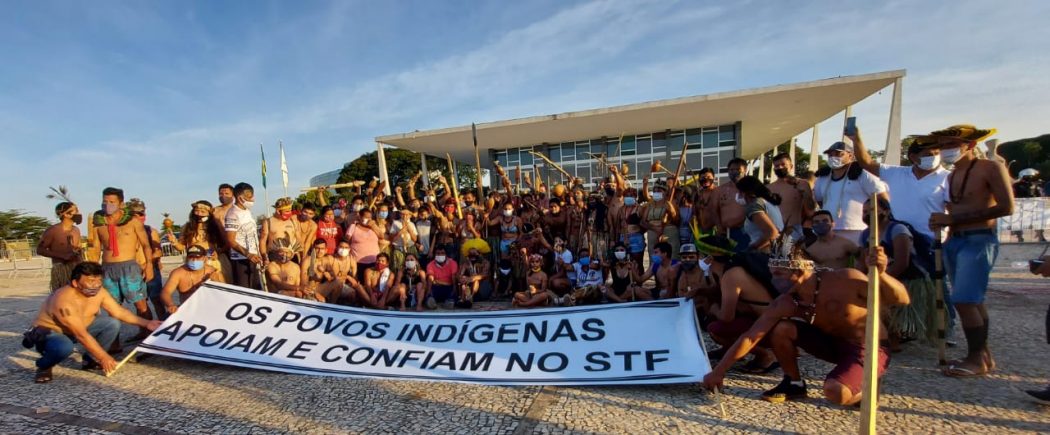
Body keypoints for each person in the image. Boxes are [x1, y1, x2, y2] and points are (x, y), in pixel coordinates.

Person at [702, 243, 910, 406]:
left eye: (779, 274)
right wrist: (719, 371)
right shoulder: (787, 301)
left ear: (800, 269)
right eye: (772, 273)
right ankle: (794, 383)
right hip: (830, 343)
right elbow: (751, 336)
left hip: (867, 346)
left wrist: (881, 274)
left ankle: (867, 386)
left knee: (835, 392)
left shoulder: (844, 279)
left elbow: (901, 298)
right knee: (781, 328)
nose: (774, 280)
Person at [926, 124, 1014, 378]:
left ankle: (976, 357)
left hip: (978, 239)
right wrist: (944, 222)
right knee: (972, 300)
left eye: (951, 145)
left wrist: (954, 220)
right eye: (942, 145)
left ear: (970, 146)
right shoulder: (951, 175)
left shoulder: (991, 168)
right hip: (956, 240)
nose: (945, 150)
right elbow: (954, 210)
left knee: (965, 300)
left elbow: (1007, 207)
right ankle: (981, 354)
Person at [24, 262, 162, 383]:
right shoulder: (64, 301)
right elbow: (81, 335)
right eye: (90, 281)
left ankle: (90, 360)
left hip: (81, 327)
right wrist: (103, 357)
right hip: (52, 333)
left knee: (112, 323)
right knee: (63, 347)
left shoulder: (100, 292)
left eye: (98, 280)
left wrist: (146, 323)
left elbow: (119, 312)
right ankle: (44, 365)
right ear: (75, 283)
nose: (95, 285)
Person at [858, 197, 938, 350]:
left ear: (886, 211)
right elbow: (862, 263)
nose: (867, 215)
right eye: (864, 212)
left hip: (908, 279)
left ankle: (895, 335)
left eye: (872, 211)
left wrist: (882, 281)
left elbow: (902, 263)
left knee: (889, 303)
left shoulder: (898, 230)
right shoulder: (865, 235)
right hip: (881, 278)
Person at [87, 187, 155, 343]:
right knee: (112, 307)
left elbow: (146, 245)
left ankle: (148, 336)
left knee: (141, 304)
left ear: (121, 203)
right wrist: (92, 271)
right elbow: (96, 248)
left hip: (129, 268)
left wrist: (149, 264)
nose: (108, 205)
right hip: (107, 269)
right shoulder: (98, 224)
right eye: (105, 202)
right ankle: (114, 342)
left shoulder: (132, 222)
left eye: (112, 202)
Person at [813, 140, 889, 245]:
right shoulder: (823, 177)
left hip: (858, 229)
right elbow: (820, 200)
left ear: (850, 155)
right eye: (830, 155)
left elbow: (882, 198)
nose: (833, 157)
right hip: (830, 230)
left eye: (838, 154)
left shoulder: (862, 173)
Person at [167, 200, 225, 283]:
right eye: (197, 211)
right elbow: (181, 248)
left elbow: (225, 244)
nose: (199, 214)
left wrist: (217, 252)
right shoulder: (187, 227)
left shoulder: (215, 227)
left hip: (211, 261)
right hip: (193, 261)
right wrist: (174, 242)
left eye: (203, 211)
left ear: (209, 213)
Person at [768, 153, 816, 240]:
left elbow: (810, 212)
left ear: (791, 166)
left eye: (783, 164)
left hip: (794, 230)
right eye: (777, 165)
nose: (780, 168)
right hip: (774, 231)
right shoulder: (769, 188)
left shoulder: (803, 184)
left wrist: (804, 193)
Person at [225, 183, 263, 290]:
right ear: (240, 198)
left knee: (256, 288)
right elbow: (231, 240)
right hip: (241, 259)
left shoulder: (246, 211)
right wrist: (248, 254)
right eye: (250, 197)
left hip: (253, 257)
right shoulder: (232, 214)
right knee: (245, 290)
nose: (253, 199)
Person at [37, 202, 83, 292]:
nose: (78, 213)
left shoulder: (76, 230)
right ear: (65, 214)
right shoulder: (53, 230)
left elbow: (77, 248)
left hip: (76, 269)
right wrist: (62, 256)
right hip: (61, 269)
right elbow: (40, 249)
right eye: (75, 210)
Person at [160, 245, 217, 314]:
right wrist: (170, 304)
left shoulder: (212, 271)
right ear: (187, 258)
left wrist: (216, 282)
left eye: (197, 258)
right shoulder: (178, 273)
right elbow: (165, 292)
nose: (194, 260)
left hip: (208, 308)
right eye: (191, 257)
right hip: (187, 310)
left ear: (204, 259)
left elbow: (225, 292)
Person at [736, 176, 784, 253]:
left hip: (765, 253)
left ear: (746, 192)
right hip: (778, 250)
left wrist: (752, 248)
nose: (738, 195)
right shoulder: (769, 202)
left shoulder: (754, 205)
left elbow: (772, 232)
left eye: (740, 192)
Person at [713, 158, 750, 251]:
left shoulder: (751, 188)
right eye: (731, 170)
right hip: (726, 232)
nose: (734, 172)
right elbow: (715, 210)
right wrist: (719, 227)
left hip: (745, 231)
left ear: (745, 170)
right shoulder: (720, 190)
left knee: (745, 259)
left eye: (738, 169)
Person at [639, 180, 680, 259]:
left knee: (672, 256)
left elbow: (677, 221)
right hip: (652, 233)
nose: (656, 192)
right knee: (655, 257)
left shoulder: (671, 202)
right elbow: (642, 222)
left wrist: (672, 211)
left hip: (669, 233)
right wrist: (654, 228)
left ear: (665, 192)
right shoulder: (650, 204)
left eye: (659, 190)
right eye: (655, 190)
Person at [260, 197, 301, 264]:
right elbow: (262, 241)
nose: (290, 213)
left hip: (291, 256)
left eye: (290, 210)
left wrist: (298, 255)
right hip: (273, 256)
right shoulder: (268, 222)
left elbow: (298, 239)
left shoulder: (293, 221)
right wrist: (264, 257)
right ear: (278, 211)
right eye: (287, 211)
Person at [346, 208, 382, 282]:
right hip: (358, 262)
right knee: (360, 283)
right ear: (360, 217)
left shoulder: (373, 227)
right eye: (366, 217)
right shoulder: (353, 226)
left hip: (374, 261)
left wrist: (373, 226)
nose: (368, 219)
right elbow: (347, 240)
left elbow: (381, 236)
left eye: (370, 217)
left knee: (373, 283)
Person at [213, 183, 236, 283]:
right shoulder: (215, 211)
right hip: (222, 249)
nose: (223, 196)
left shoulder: (238, 210)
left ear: (233, 195)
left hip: (237, 247)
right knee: (226, 276)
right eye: (221, 193)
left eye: (226, 193)